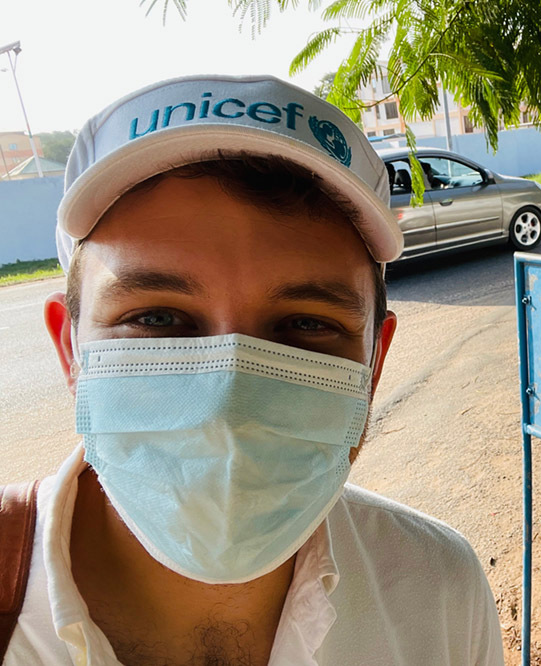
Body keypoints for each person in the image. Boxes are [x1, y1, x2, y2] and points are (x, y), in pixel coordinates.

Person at [2, 75, 504, 665]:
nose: (227, 402)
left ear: (374, 361)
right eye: (158, 318)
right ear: (70, 349)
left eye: (306, 325)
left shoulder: (440, 589)